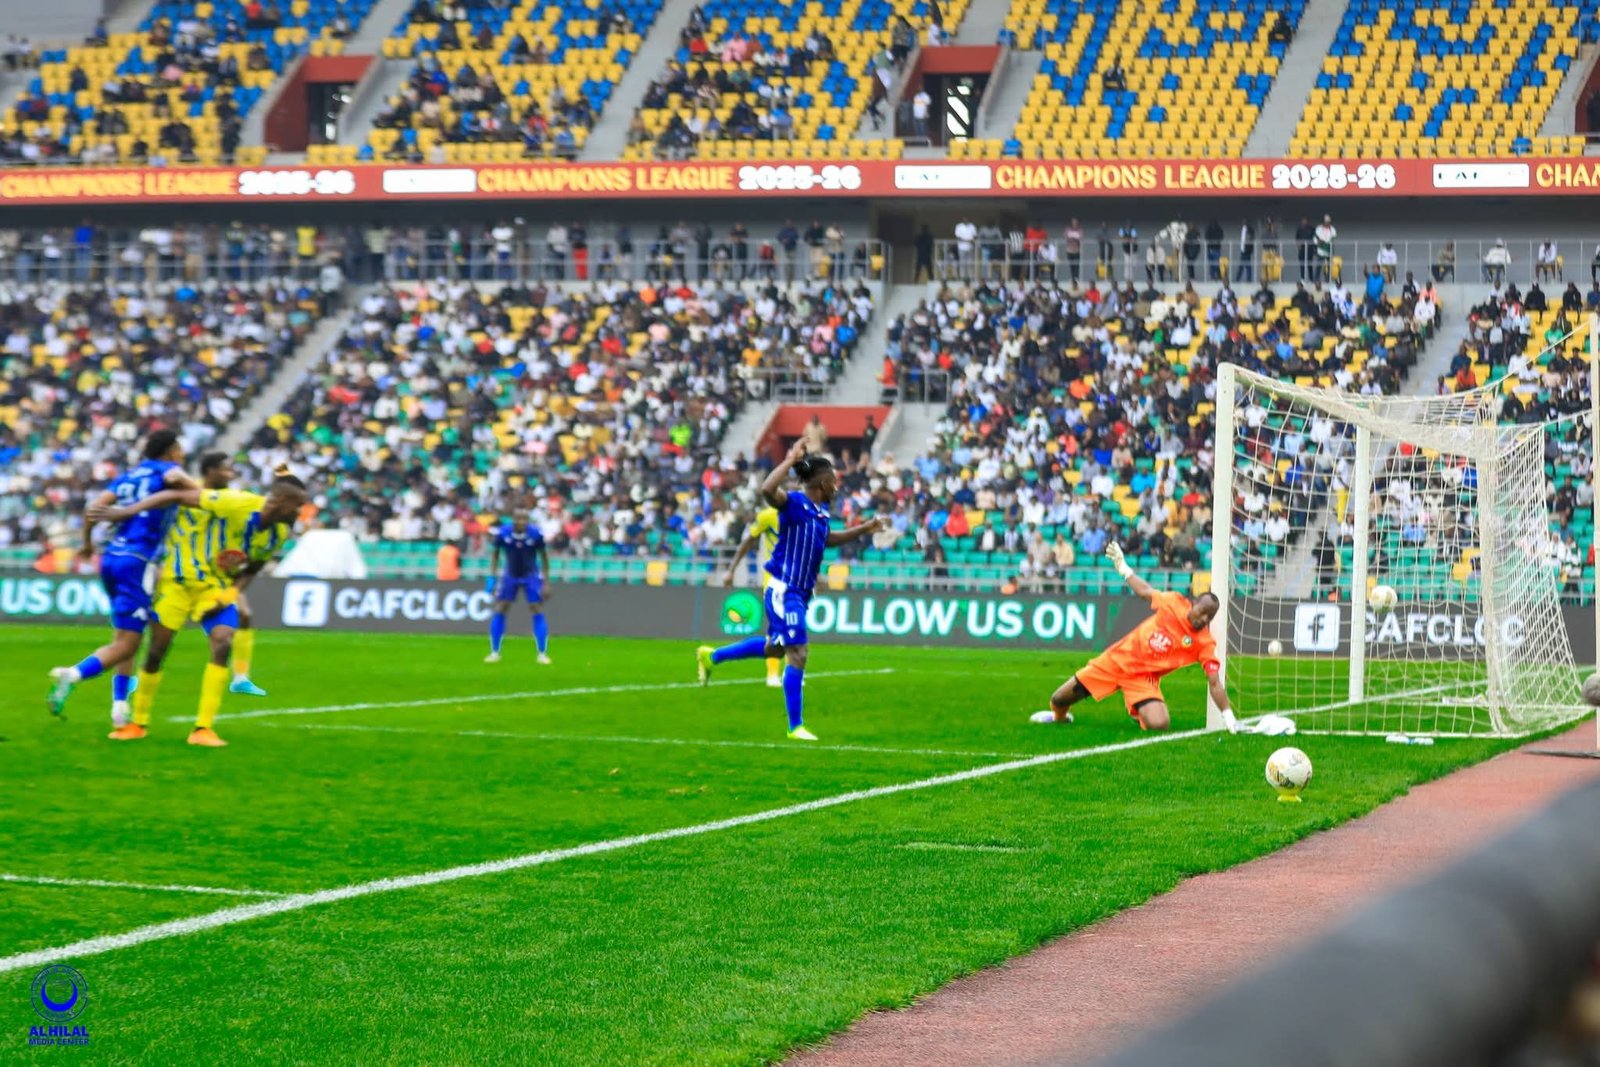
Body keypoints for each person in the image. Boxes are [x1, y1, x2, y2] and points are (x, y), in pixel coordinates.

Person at [94, 472, 309, 746]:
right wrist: (125, 513)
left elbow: (254, 567)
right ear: (279, 501)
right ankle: (138, 722)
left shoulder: (279, 532)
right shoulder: (236, 503)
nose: (300, 512)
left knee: (223, 642)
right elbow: (176, 496)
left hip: (214, 587)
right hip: (179, 583)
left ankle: (203, 729)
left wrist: (229, 594)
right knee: (156, 652)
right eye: (297, 506)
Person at [695, 443, 887, 740]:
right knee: (799, 652)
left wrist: (864, 528)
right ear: (823, 483)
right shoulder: (794, 503)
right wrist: (789, 460)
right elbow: (767, 490)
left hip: (799, 592)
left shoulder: (820, 513)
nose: (836, 485)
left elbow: (829, 540)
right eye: (833, 480)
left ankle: (712, 657)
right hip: (784, 589)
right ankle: (795, 726)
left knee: (775, 648)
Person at [45, 431, 197, 725]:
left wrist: (87, 543)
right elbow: (195, 490)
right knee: (128, 644)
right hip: (138, 562)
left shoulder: (128, 477)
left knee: (126, 635)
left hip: (111, 558)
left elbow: (93, 509)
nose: (181, 454)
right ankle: (74, 674)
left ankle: (119, 708)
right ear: (170, 450)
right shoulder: (168, 471)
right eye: (178, 449)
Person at [1031, 544, 1238, 733]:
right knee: (1058, 700)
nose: (1203, 618)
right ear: (1193, 603)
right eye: (1201, 611)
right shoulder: (1174, 602)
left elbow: (1214, 682)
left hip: (1142, 678)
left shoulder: (1204, 642)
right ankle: (1060, 718)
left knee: (1160, 724)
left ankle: (1137, 708)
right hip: (1114, 661)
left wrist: (1228, 715)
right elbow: (1144, 591)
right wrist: (1123, 567)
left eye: (1208, 617)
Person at [722, 506, 785, 687]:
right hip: (775, 582)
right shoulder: (768, 516)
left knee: (793, 631)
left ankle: (794, 674)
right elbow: (748, 542)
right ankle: (772, 675)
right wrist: (731, 570)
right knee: (778, 632)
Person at [485, 504, 551, 664]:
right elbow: (495, 555)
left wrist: (546, 582)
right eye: (518, 518)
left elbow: (543, 557)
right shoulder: (503, 533)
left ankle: (542, 653)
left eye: (524, 518)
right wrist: (492, 578)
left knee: (536, 607)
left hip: (531, 575)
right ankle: (495, 652)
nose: (521, 521)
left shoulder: (535, 535)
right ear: (513, 519)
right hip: (511, 575)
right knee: (501, 607)